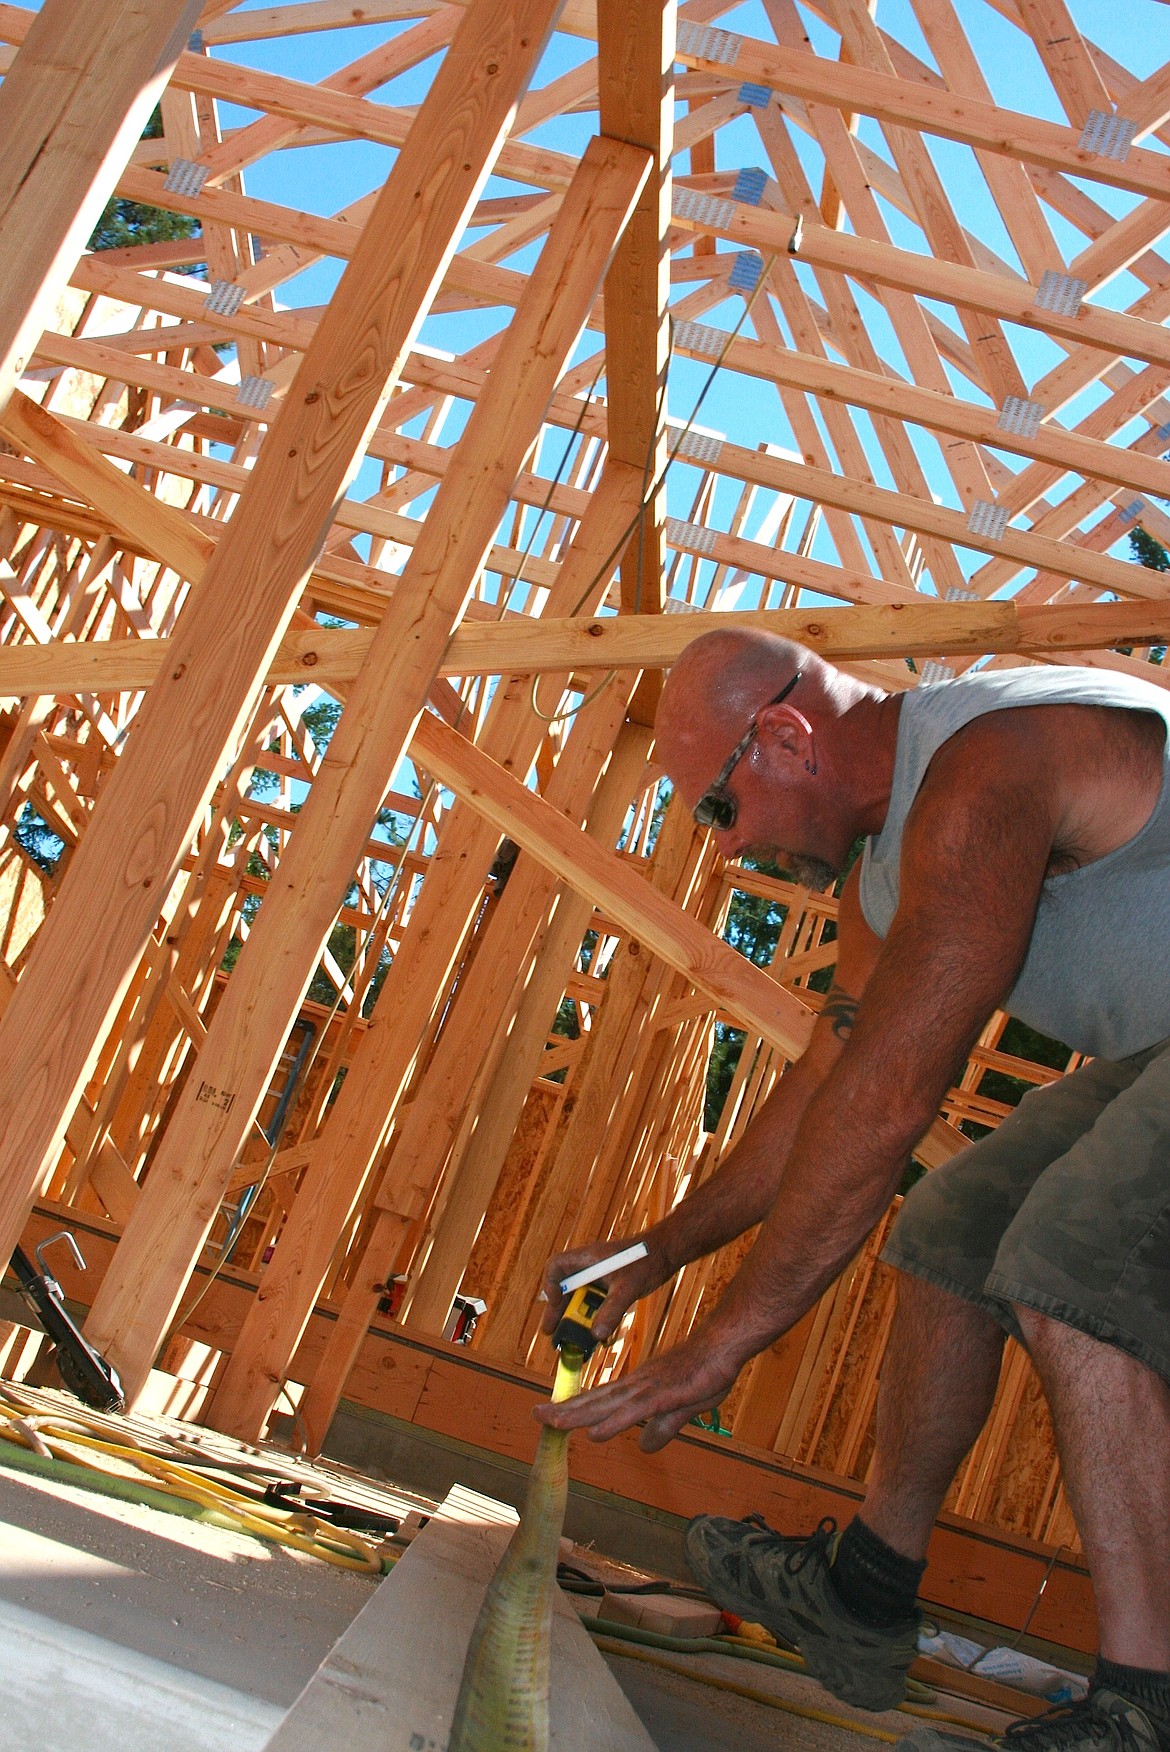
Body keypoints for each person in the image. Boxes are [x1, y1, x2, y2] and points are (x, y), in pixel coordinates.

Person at [535, 630, 1170, 1752]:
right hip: (1153, 1052)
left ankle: (1148, 1704)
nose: (728, 852)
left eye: (713, 812)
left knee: (1068, 1266)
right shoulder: (890, 866)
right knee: (949, 1232)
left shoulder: (983, 768)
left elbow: (889, 1105)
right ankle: (867, 1588)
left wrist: (726, 1342)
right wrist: (660, 1252)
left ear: (784, 737)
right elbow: (834, 1075)